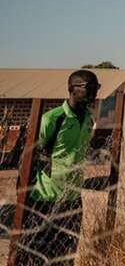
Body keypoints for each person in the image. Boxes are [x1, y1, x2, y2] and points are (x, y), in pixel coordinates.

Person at [17, 69, 99, 266]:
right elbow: (27, 158)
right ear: (73, 89)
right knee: (37, 255)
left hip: (72, 198)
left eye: (97, 88)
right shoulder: (53, 119)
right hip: (45, 198)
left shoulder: (89, 119)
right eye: (90, 88)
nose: (94, 93)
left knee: (66, 254)